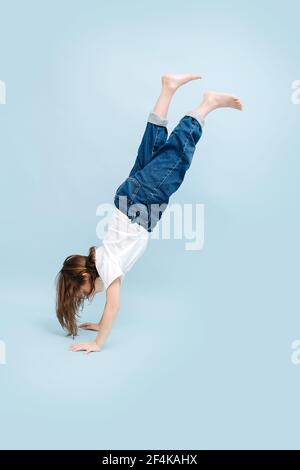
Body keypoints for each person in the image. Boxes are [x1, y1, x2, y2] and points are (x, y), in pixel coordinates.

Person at [55, 73, 243, 353]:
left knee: (176, 157)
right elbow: (108, 308)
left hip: (143, 204)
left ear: (85, 277)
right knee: (152, 145)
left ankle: (207, 104)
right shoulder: (103, 256)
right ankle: (168, 88)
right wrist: (99, 323)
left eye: (86, 293)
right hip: (127, 198)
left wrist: (98, 341)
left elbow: (114, 306)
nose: (92, 295)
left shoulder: (107, 269)